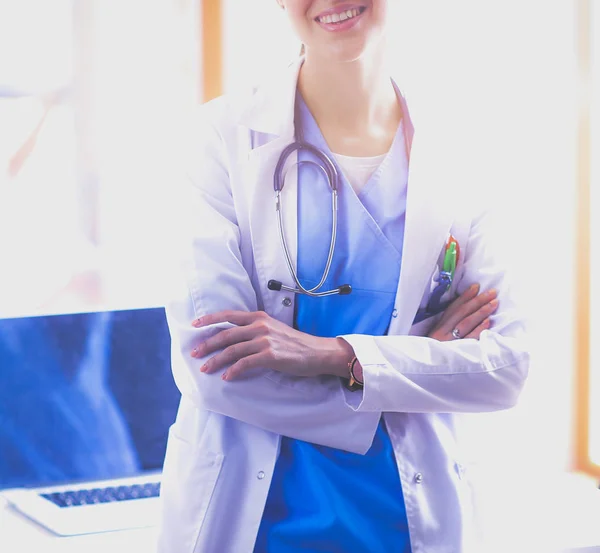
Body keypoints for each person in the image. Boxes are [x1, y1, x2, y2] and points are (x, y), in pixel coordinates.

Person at [157, 1, 530, 552]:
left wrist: (337, 356)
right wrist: (418, 363)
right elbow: (215, 364)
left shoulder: (465, 144)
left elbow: (507, 366)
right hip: (257, 522)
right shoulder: (219, 138)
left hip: (407, 519)